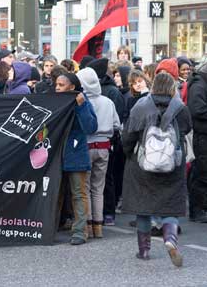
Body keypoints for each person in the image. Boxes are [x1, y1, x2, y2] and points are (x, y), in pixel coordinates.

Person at [122, 73, 192, 267]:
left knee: (143, 208)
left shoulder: (141, 106)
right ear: (172, 88)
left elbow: (128, 136)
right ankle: (170, 238)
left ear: (153, 87)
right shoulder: (181, 109)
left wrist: (129, 154)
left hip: (142, 165)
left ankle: (144, 251)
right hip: (172, 166)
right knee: (170, 206)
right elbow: (186, 130)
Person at [77, 68, 121, 237]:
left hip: (86, 145)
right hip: (104, 146)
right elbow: (117, 124)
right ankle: (98, 225)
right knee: (98, 187)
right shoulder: (107, 101)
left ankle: (88, 224)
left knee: (85, 187)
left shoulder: (81, 101)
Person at [56, 73, 98, 245]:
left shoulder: (82, 101)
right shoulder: (54, 101)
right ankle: (48, 229)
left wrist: (80, 107)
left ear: (72, 87)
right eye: (56, 84)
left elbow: (91, 127)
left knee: (78, 194)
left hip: (76, 154)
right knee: (54, 194)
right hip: (56, 155)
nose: (57, 87)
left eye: (61, 84)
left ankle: (80, 232)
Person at [187, 62, 207, 222]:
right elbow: (198, 110)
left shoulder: (200, 84)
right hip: (202, 135)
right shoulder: (199, 85)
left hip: (203, 134)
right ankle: (197, 210)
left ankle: (201, 207)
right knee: (201, 172)